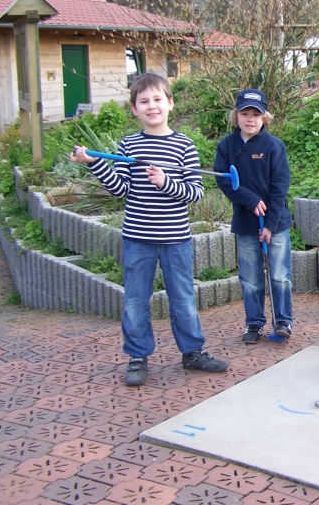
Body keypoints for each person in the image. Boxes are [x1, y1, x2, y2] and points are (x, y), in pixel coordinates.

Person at [71, 73, 228, 386]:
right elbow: (120, 188)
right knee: (135, 301)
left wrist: (166, 183)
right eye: (144, 101)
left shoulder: (184, 145)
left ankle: (192, 352)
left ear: (170, 103)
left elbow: (195, 192)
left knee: (182, 298)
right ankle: (137, 356)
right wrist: (92, 162)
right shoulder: (128, 146)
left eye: (158, 99)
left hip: (175, 240)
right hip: (138, 239)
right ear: (134, 109)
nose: (152, 106)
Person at [214, 88, 293, 345]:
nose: (250, 119)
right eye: (244, 113)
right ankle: (254, 323)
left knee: (279, 276)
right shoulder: (227, 146)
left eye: (256, 114)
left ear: (264, 118)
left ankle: (283, 321)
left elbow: (280, 187)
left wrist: (270, 225)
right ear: (236, 116)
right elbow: (224, 180)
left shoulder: (273, 146)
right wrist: (250, 200)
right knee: (250, 279)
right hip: (246, 224)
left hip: (275, 224)